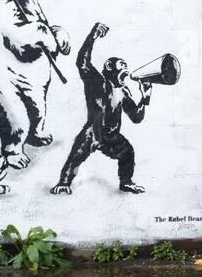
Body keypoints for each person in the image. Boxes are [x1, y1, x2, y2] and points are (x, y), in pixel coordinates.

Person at [51, 22, 151, 195]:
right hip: (93, 132)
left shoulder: (124, 92)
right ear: (109, 69)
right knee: (75, 158)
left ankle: (126, 182)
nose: (126, 70)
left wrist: (145, 97)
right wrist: (93, 36)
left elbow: (136, 118)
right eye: (122, 66)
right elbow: (81, 62)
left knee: (128, 153)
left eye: (126, 66)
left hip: (112, 136)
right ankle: (63, 183)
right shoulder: (97, 82)